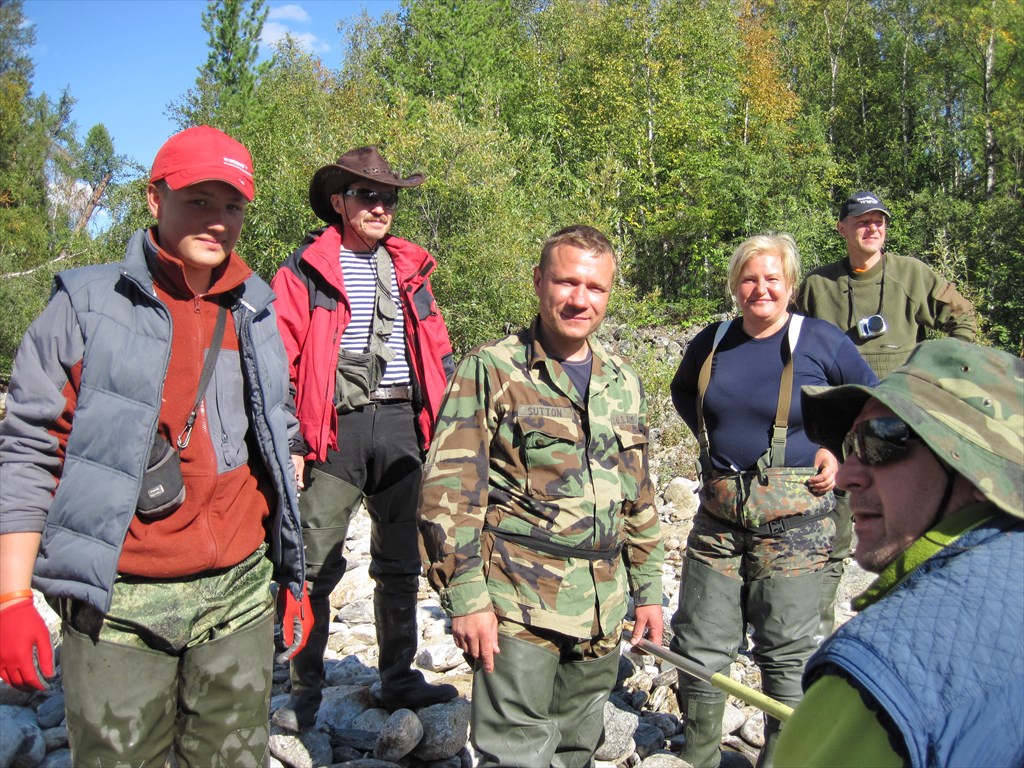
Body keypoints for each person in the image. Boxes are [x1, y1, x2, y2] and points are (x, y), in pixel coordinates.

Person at [0, 126, 308, 766]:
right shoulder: (84, 305)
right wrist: (11, 598)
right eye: (198, 201)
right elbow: (29, 450)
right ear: (154, 198)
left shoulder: (256, 309)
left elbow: (277, 445)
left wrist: (292, 574)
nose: (218, 221)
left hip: (239, 597)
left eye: (232, 206)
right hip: (118, 606)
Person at [418, 225, 664, 768]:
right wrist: (466, 598)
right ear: (538, 282)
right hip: (518, 604)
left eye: (595, 287)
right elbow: (448, 492)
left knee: (577, 752)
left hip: (602, 608)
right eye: (567, 282)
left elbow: (639, 495)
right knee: (517, 757)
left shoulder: (622, 380)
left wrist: (648, 590)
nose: (580, 299)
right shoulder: (492, 369)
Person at [669, 233, 876, 768]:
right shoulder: (713, 340)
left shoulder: (822, 341)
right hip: (718, 520)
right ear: (735, 285)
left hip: (797, 525)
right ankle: (698, 757)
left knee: (786, 652)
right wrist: (713, 441)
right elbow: (683, 390)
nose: (760, 289)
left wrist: (838, 450)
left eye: (772, 279)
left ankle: (788, 760)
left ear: (791, 285)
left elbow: (873, 406)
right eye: (749, 278)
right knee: (698, 646)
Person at [271, 145, 457, 727]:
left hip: (403, 425)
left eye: (389, 198)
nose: (380, 207)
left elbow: (437, 349)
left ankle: (398, 679)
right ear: (339, 202)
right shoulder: (303, 270)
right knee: (311, 565)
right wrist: (293, 442)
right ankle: (304, 692)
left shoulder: (410, 268)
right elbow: (281, 361)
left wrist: (450, 424)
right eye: (367, 195)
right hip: (334, 430)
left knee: (400, 562)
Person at [775, 339, 1023, 767]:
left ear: (980, 472)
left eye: (881, 439)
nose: (845, 476)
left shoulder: (875, 679)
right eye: (849, 446)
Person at [796, 190, 977, 643]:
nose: (872, 227)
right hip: (839, 425)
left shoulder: (911, 275)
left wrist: (934, 375)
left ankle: (917, 629)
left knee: (913, 528)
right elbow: (788, 340)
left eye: (878, 220)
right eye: (862, 221)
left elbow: (963, 318)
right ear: (842, 229)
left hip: (901, 425)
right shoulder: (817, 286)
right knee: (831, 529)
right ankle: (816, 635)